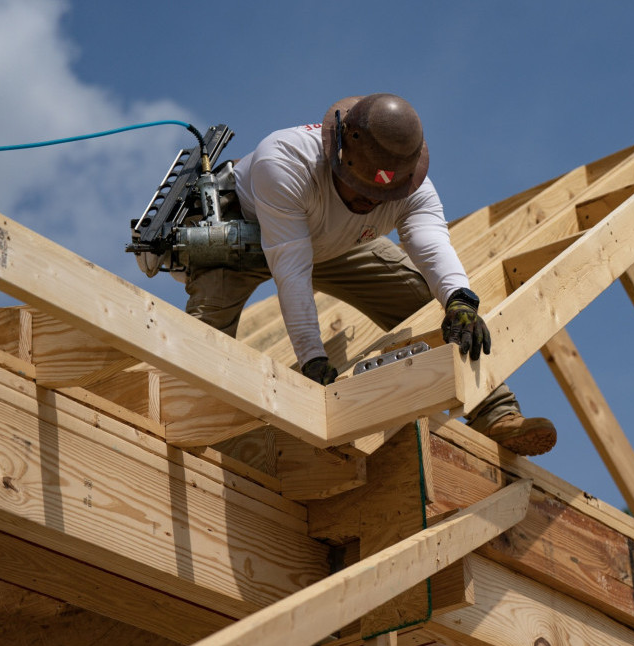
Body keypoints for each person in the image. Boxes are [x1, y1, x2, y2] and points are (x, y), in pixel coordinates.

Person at [184, 93, 556, 456]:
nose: (370, 202)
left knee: (420, 297)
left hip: (333, 242)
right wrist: (312, 358)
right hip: (243, 240)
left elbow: (431, 244)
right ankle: (208, 443)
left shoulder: (411, 184)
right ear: (338, 155)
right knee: (202, 344)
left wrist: (459, 299)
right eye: (360, 189)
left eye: (381, 196)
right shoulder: (284, 160)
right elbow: (291, 269)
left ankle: (495, 411)